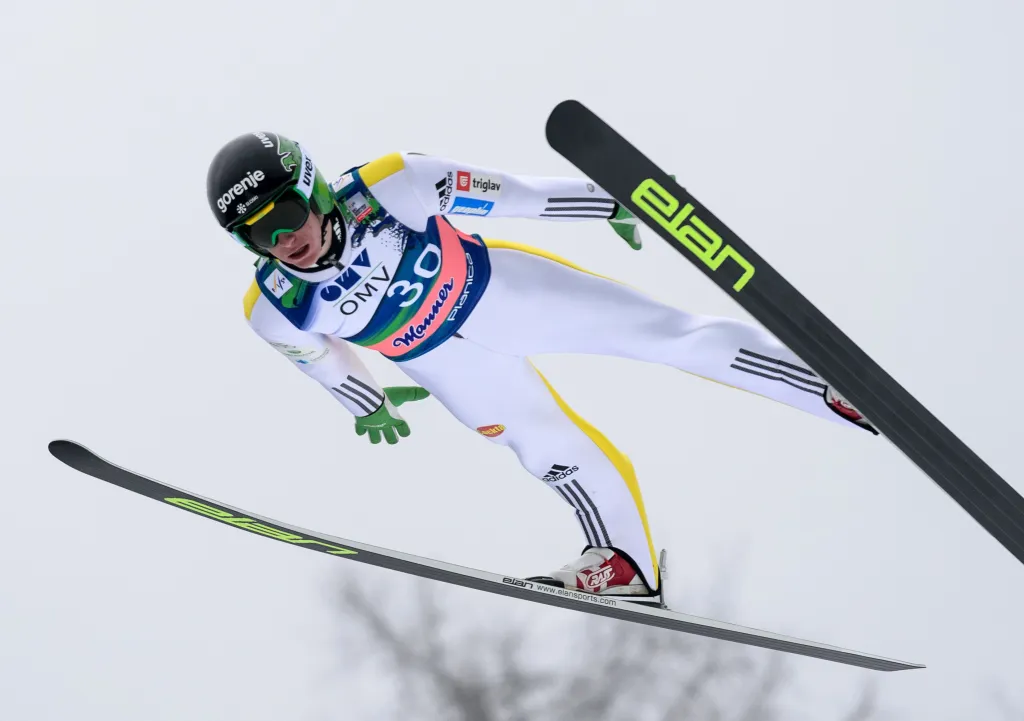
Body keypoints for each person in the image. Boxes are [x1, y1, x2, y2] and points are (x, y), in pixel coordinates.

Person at [205, 132, 876, 602]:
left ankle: (827, 389)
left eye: (286, 214)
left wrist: (612, 199)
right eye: (257, 235)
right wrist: (367, 403)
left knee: (668, 337)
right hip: (443, 363)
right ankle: (624, 563)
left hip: (504, 295)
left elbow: (517, 196)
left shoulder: (392, 186)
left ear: (313, 188)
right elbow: (321, 361)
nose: (282, 239)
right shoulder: (272, 306)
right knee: (549, 451)